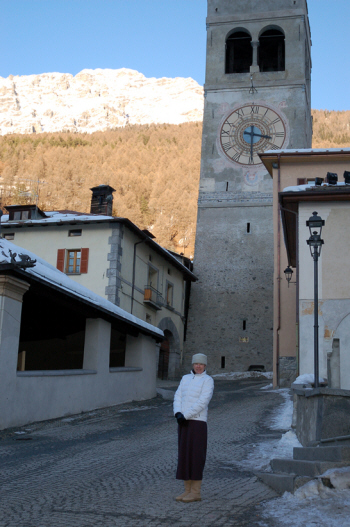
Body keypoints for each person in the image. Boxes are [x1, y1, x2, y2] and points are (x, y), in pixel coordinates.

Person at [173, 353, 214, 502]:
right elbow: (178, 396)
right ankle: (187, 490)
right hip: (183, 422)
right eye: (196, 363)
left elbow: (203, 401)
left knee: (196, 456)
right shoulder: (185, 378)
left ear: (205, 366)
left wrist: (186, 415)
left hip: (197, 422)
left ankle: (196, 492)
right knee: (184, 455)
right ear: (193, 364)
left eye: (201, 364)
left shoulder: (208, 380)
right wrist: (178, 413)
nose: (198, 366)